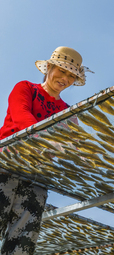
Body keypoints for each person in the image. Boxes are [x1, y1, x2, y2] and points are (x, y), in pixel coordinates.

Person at [0, 46, 92, 254]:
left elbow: (77, 145)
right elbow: (22, 116)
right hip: (6, 164)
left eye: (71, 75)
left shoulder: (68, 114)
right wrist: (50, 142)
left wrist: (88, 156)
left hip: (37, 176)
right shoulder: (25, 88)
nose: (65, 79)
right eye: (61, 71)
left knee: (24, 237)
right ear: (48, 67)